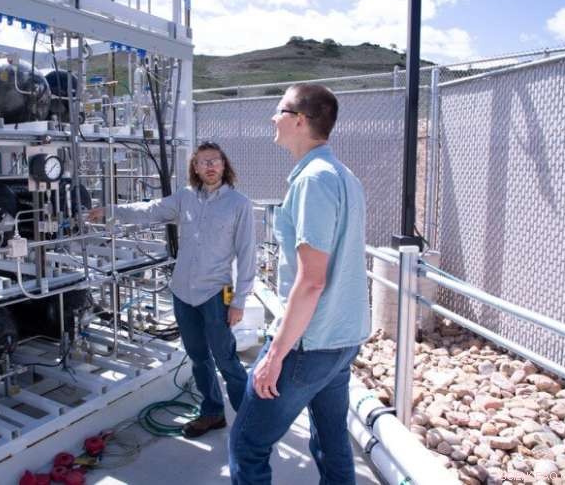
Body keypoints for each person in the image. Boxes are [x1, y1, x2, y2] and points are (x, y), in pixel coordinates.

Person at [229, 84, 370, 485]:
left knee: (247, 444)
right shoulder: (345, 176)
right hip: (343, 340)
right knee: (331, 442)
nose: (273, 118)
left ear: (300, 120)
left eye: (279, 110)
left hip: (309, 344)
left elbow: (311, 281)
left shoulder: (313, 180)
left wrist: (275, 356)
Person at [87, 142, 255, 438]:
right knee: (198, 357)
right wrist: (111, 211)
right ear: (195, 167)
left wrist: (239, 301)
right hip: (182, 293)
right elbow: (150, 210)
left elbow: (247, 254)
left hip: (216, 292)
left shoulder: (239, 204)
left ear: (224, 165)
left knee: (226, 358)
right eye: (203, 162)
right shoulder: (185, 198)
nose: (210, 166)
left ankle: (251, 425)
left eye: (215, 161)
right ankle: (212, 412)